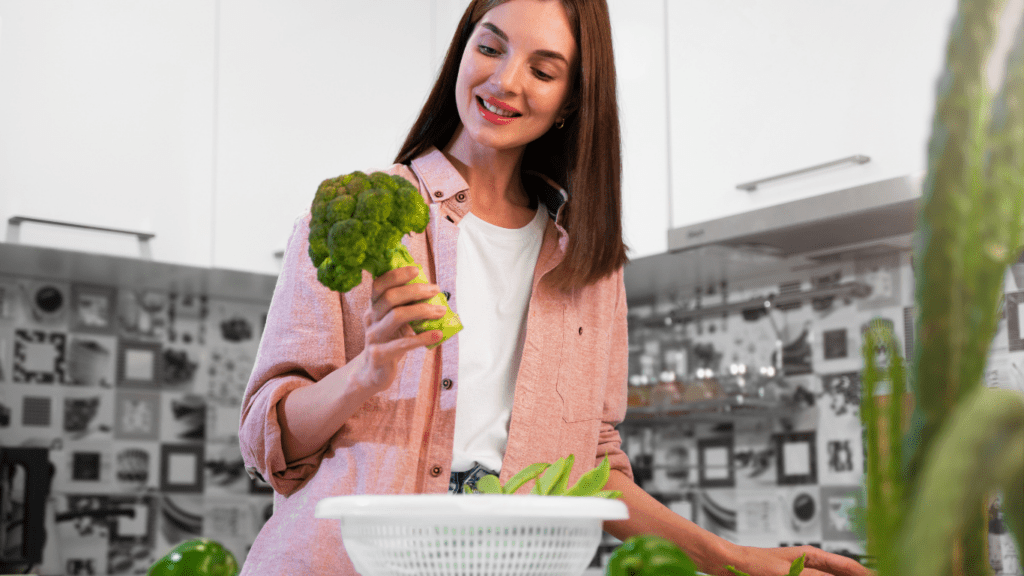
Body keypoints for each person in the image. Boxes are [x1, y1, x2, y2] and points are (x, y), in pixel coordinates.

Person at [238, 1, 874, 575]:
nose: (505, 81)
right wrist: (367, 374)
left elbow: (588, 471)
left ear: (571, 98)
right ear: (462, 52)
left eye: (543, 70)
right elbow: (267, 439)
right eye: (489, 48)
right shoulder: (365, 215)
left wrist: (731, 559)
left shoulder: (588, 262)